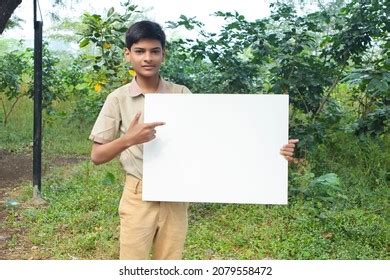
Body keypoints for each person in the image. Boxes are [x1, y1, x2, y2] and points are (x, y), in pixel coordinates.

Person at [89, 20, 299, 260]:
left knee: (170, 263)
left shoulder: (181, 94)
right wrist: (128, 139)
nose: (147, 58)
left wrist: (275, 151)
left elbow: (214, 141)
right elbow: (97, 156)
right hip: (138, 194)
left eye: (154, 51)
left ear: (163, 54)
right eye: (140, 51)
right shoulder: (117, 99)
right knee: (132, 265)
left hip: (176, 194)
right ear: (128, 55)